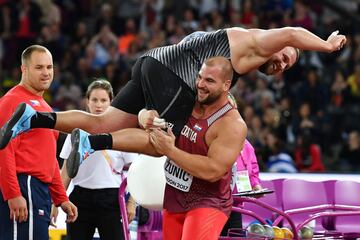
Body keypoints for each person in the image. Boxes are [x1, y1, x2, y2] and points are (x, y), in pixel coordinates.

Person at [0, 27, 346, 149]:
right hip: (172, 75)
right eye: (284, 57)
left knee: (103, 120)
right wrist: (326, 45)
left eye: (288, 65)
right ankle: (91, 146)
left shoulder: (240, 53)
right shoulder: (258, 41)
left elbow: (195, 43)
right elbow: (289, 34)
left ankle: (34, 118)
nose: (283, 63)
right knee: (163, 143)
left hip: (155, 62)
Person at [67, 56, 247, 240]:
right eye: (199, 77)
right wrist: (144, 115)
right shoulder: (187, 98)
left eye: (209, 81)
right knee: (152, 134)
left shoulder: (231, 125)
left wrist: (170, 150)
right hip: (174, 197)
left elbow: (213, 171)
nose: (200, 84)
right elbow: (144, 112)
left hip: (208, 201)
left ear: (226, 85)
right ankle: (93, 142)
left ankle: (95, 142)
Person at [0, 45, 77, 240]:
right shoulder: (13, 102)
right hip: (24, 187)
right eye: (39, 67)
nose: (46, 73)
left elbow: (49, 159)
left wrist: (60, 197)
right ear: (24, 69)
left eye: (49, 67)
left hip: (39, 191)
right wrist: (13, 194)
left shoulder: (45, 107)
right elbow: (3, 150)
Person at [52, 79, 138, 240]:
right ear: (87, 102)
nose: (99, 105)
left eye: (104, 100)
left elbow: (136, 170)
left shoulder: (121, 132)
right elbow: (65, 172)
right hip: (79, 200)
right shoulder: (75, 133)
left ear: (111, 102)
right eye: (95, 100)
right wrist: (57, 201)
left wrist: (132, 202)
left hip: (111, 200)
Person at [221, 139, 262, 236]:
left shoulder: (246, 144)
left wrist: (256, 185)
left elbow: (253, 167)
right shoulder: (218, 140)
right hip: (216, 205)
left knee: (236, 236)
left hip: (236, 206)